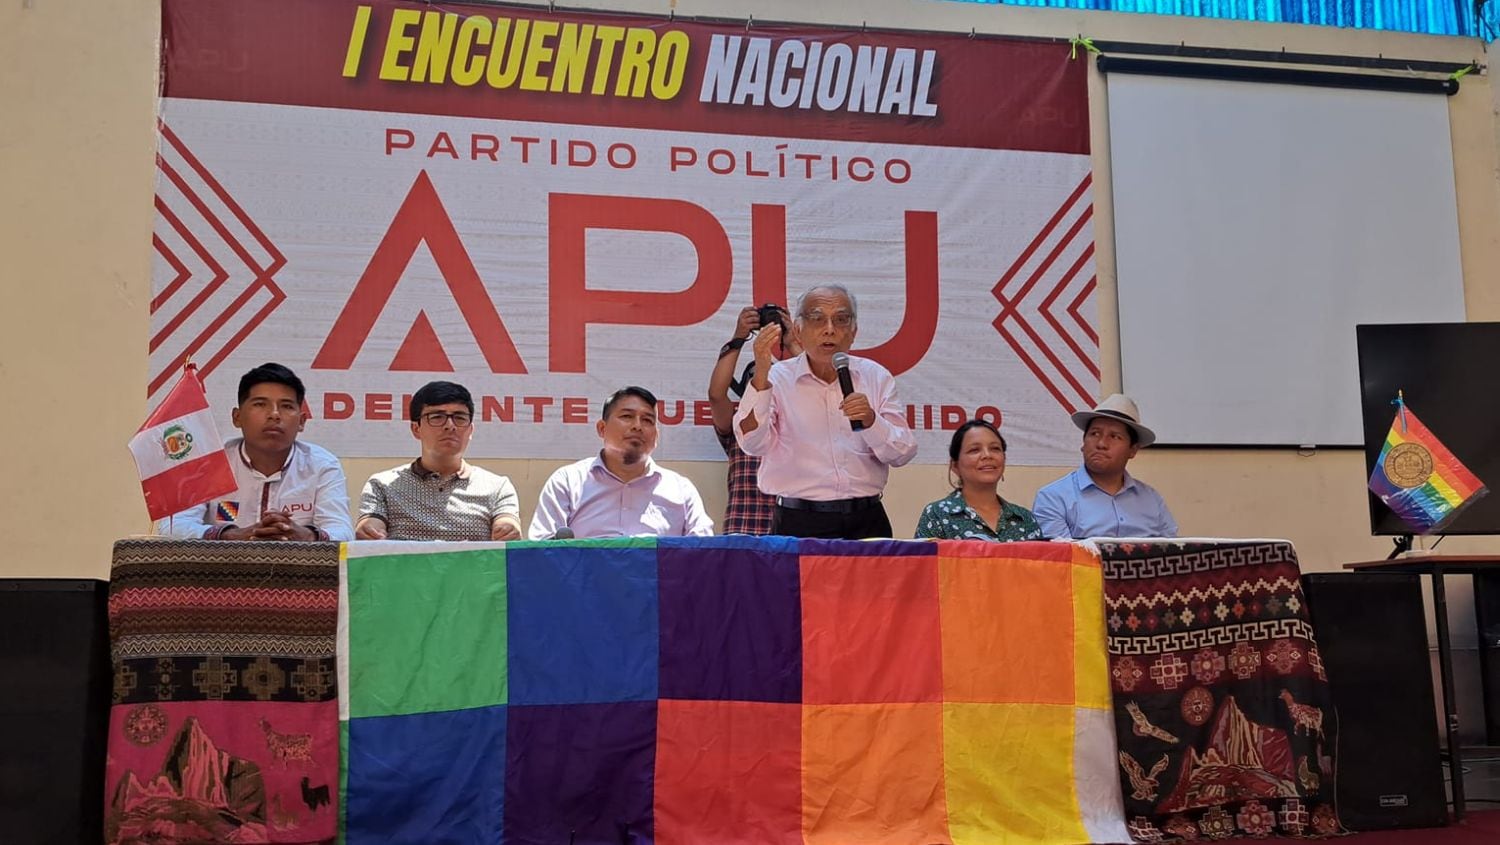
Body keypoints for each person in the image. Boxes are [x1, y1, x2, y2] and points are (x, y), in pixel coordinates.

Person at [733, 284, 917, 539]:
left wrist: (871, 420)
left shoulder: (875, 377)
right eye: (817, 319)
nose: (829, 329)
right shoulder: (777, 379)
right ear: (798, 330)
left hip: (866, 519)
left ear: (854, 332)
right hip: (799, 522)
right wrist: (761, 374)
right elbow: (752, 444)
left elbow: (902, 452)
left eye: (841, 320)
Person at [158, 363, 353, 541]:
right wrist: (231, 535)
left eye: (286, 406)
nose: (274, 414)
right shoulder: (210, 462)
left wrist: (306, 535)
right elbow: (172, 527)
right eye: (260, 404)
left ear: (301, 422)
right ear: (237, 417)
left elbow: (343, 532)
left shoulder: (322, 465)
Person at [528, 386, 714, 539]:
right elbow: (542, 549)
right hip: (586, 583)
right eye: (627, 416)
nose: (637, 426)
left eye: (647, 420)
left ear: (656, 436)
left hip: (658, 583)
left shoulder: (680, 490)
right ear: (602, 428)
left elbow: (704, 553)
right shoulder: (568, 481)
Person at [356, 381, 521, 542]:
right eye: (437, 417)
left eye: (460, 417)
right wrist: (370, 530)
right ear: (416, 429)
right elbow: (371, 530)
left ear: (471, 429)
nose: (450, 425)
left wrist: (508, 529)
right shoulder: (382, 485)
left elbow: (509, 526)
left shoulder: (497, 487)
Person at [707, 304, 801, 535]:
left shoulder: (799, 418)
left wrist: (791, 343)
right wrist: (738, 338)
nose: (763, 384)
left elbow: (821, 388)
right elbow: (716, 394)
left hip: (791, 531)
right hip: (743, 532)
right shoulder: (738, 424)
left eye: (770, 377)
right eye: (755, 380)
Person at [1032, 393, 1177, 539]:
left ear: (1133, 450)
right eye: (1094, 434)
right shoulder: (1054, 498)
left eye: (1114, 436)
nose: (1101, 444)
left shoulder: (1151, 499)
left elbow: (1174, 552)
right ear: (1083, 444)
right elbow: (1061, 558)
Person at [915, 420, 1043, 542]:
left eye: (995, 448)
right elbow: (923, 564)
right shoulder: (937, 515)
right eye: (974, 450)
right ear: (955, 465)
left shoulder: (1025, 519)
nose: (987, 455)